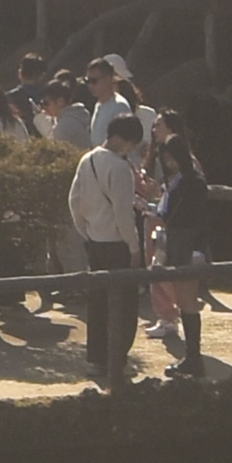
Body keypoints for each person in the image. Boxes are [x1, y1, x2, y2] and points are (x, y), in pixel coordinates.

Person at [65, 108, 158, 385]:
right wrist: (134, 248)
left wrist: (86, 231)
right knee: (124, 305)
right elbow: (123, 213)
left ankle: (96, 359)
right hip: (117, 244)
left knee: (97, 304)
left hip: (94, 240)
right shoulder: (119, 168)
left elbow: (74, 200)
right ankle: (117, 359)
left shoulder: (88, 160)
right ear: (124, 139)